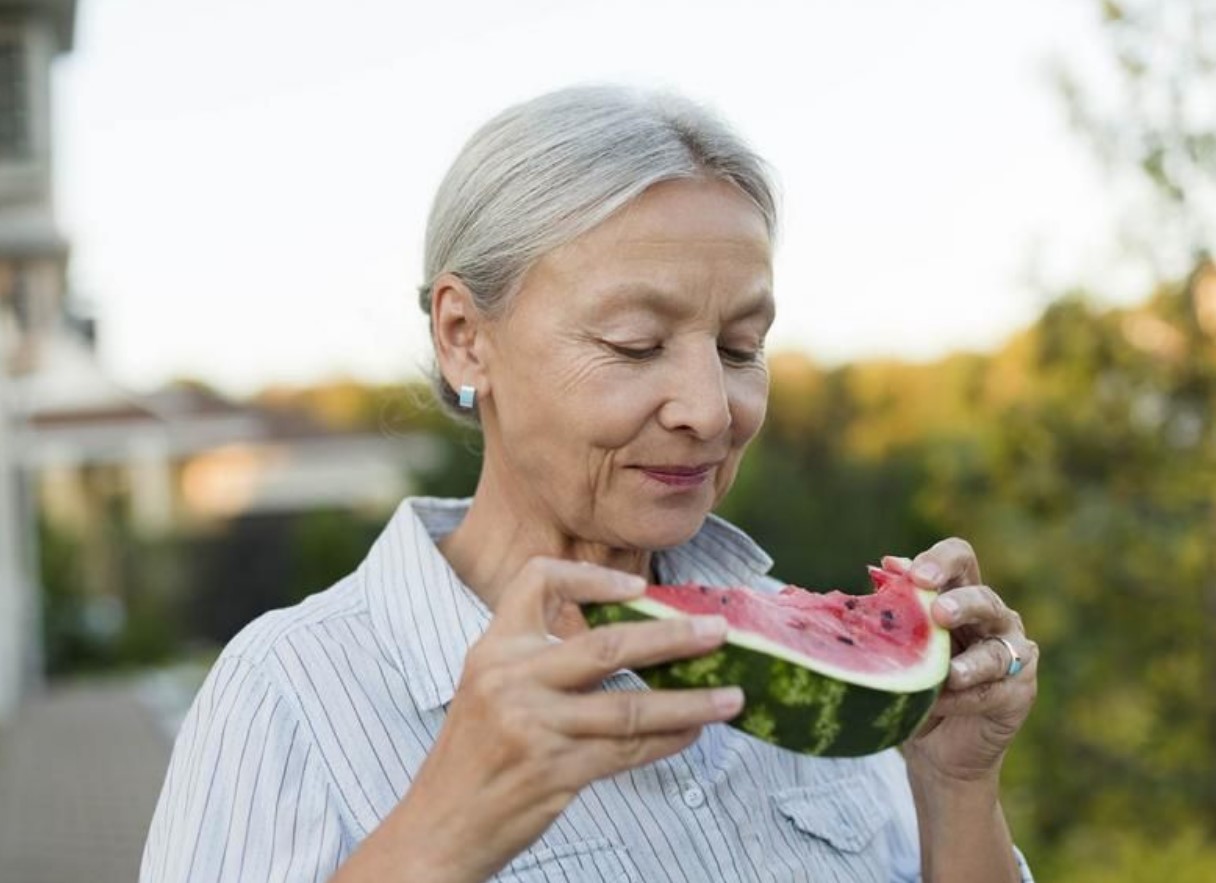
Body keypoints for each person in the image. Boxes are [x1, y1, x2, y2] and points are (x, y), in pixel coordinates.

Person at [141, 85, 1039, 883]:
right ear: (464, 337)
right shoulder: (289, 693)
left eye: (740, 347)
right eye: (634, 345)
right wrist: (440, 833)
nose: (708, 409)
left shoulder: (816, 677)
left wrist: (956, 786)